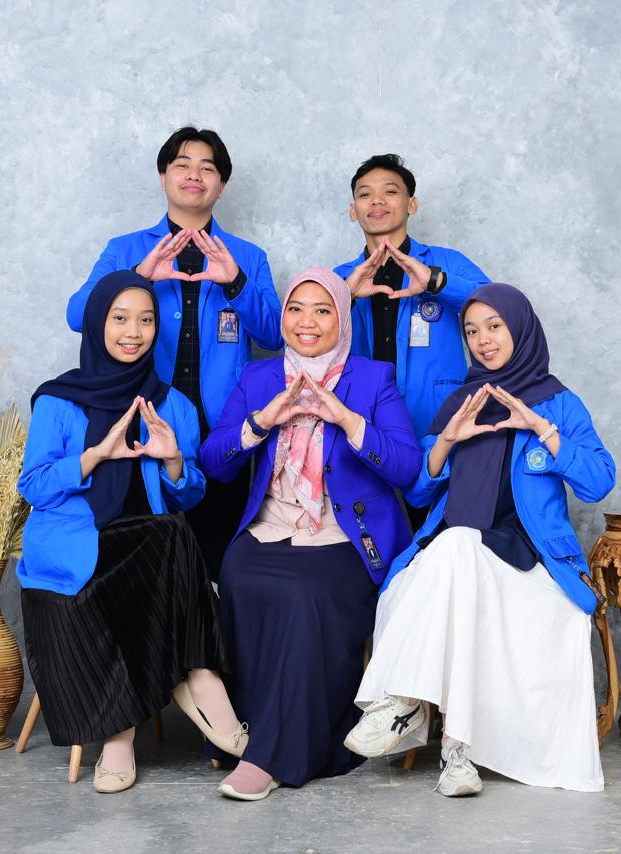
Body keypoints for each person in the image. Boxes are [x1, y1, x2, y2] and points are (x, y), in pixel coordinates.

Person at [344, 283, 616, 796]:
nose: (483, 340)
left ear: (521, 329)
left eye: (494, 326)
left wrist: (541, 428)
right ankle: (456, 755)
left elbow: (599, 481)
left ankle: (404, 705)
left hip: (530, 560)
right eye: (471, 331)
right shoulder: (461, 402)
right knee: (457, 549)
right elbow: (419, 489)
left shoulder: (559, 403)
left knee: (458, 549)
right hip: (456, 556)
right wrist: (448, 439)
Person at [18, 271, 249, 794]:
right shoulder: (58, 400)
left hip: (150, 552)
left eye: (146, 320)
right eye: (120, 318)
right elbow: (33, 486)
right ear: (98, 322)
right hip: (79, 549)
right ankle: (192, 685)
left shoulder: (172, 405)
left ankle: (135, 727)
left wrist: (173, 462)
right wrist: (94, 457)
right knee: (171, 538)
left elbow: (190, 495)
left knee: (170, 531)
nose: (134, 332)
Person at [198, 268, 421, 800]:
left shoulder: (373, 379)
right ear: (282, 319)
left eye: (323, 310)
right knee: (239, 575)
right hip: (270, 527)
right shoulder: (258, 377)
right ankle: (248, 731)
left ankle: (274, 754)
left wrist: (346, 419)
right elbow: (213, 461)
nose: (307, 322)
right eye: (296, 309)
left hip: (344, 535)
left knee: (304, 595)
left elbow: (408, 467)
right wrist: (261, 422)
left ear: (342, 319)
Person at [67, 126, 284, 581]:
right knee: (146, 559)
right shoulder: (125, 249)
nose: (194, 175)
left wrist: (235, 282)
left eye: (207, 168)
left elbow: (273, 336)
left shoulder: (248, 256)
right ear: (163, 177)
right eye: (182, 165)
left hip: (225, 428)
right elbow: (77, 315)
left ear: (221, 185)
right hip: (144, 422)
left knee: (216, 561)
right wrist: (138, 277)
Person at [333, 153, 489, 531]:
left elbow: (498, 309)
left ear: (411, 204)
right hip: (364, 424)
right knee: (374, 537)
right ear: (353, 210)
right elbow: (304, 341)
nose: (377, 201)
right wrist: (345, 296)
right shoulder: (339, 278)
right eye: (365, 194)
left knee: (442, 538)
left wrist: (436, 282)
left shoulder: (447, 263)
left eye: (390, 191)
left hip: (437, 422)